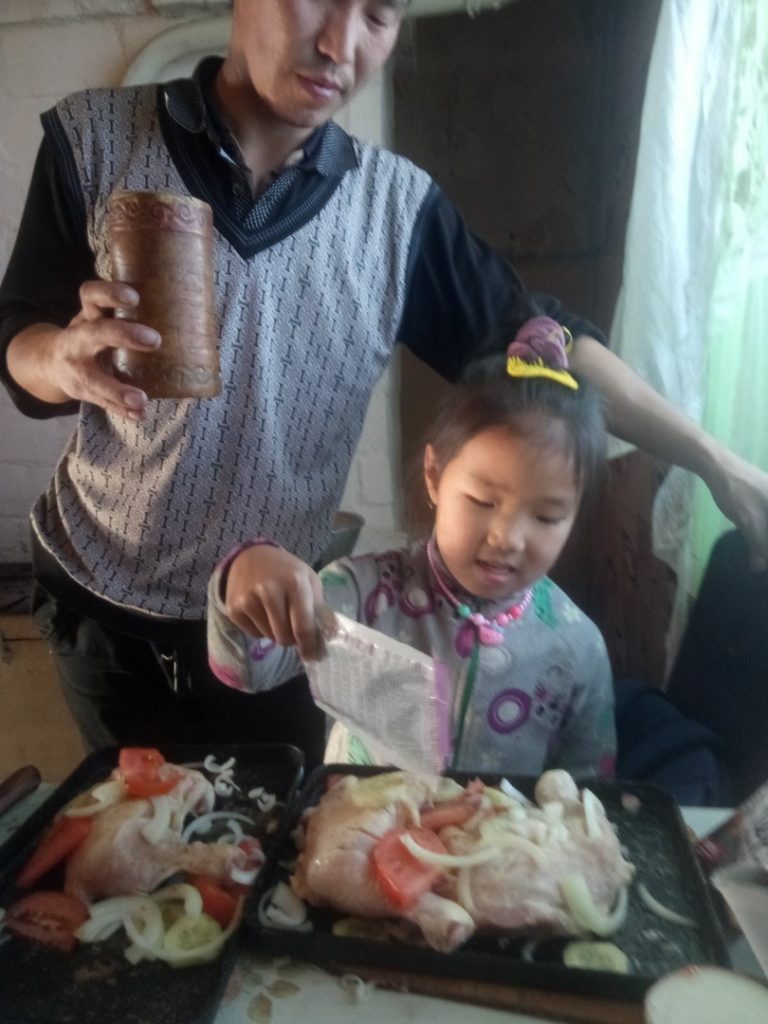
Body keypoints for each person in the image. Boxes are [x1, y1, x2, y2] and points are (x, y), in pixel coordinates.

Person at [1, 1, 766, 763]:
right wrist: (58, 358)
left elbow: (548, 340)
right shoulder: (95, 139)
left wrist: (716, 462)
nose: (341, 45)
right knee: (142, 817)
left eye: (379, 14)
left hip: (283, 617)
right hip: (105, 602)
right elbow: (18, 330)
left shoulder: (397, 211)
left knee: (277, 818)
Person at [208, 316, 616, 777]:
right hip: (359, 819)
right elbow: (246, 670)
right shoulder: (358, 594)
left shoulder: (577, 648)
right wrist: (242, 574)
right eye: (483, 501)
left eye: (546, 517)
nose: (507, 538)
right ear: (435, 476)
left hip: (499, 826)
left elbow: (588, 792)